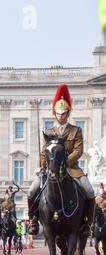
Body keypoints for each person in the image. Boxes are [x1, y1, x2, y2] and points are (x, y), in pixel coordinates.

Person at [27, 84, 95, 237]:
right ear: (54, 114)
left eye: (64, 113)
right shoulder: (50, 132)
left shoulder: (76, 130)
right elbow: (44, 152)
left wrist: (65, 161)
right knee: (32, 191)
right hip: (50, 170)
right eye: (58, 113)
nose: (61, 116)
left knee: (90, 191)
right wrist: (42, 167)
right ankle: (33, 220)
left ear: (68, 113)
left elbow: (78, 151)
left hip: (72, 170)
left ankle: (87, 224)